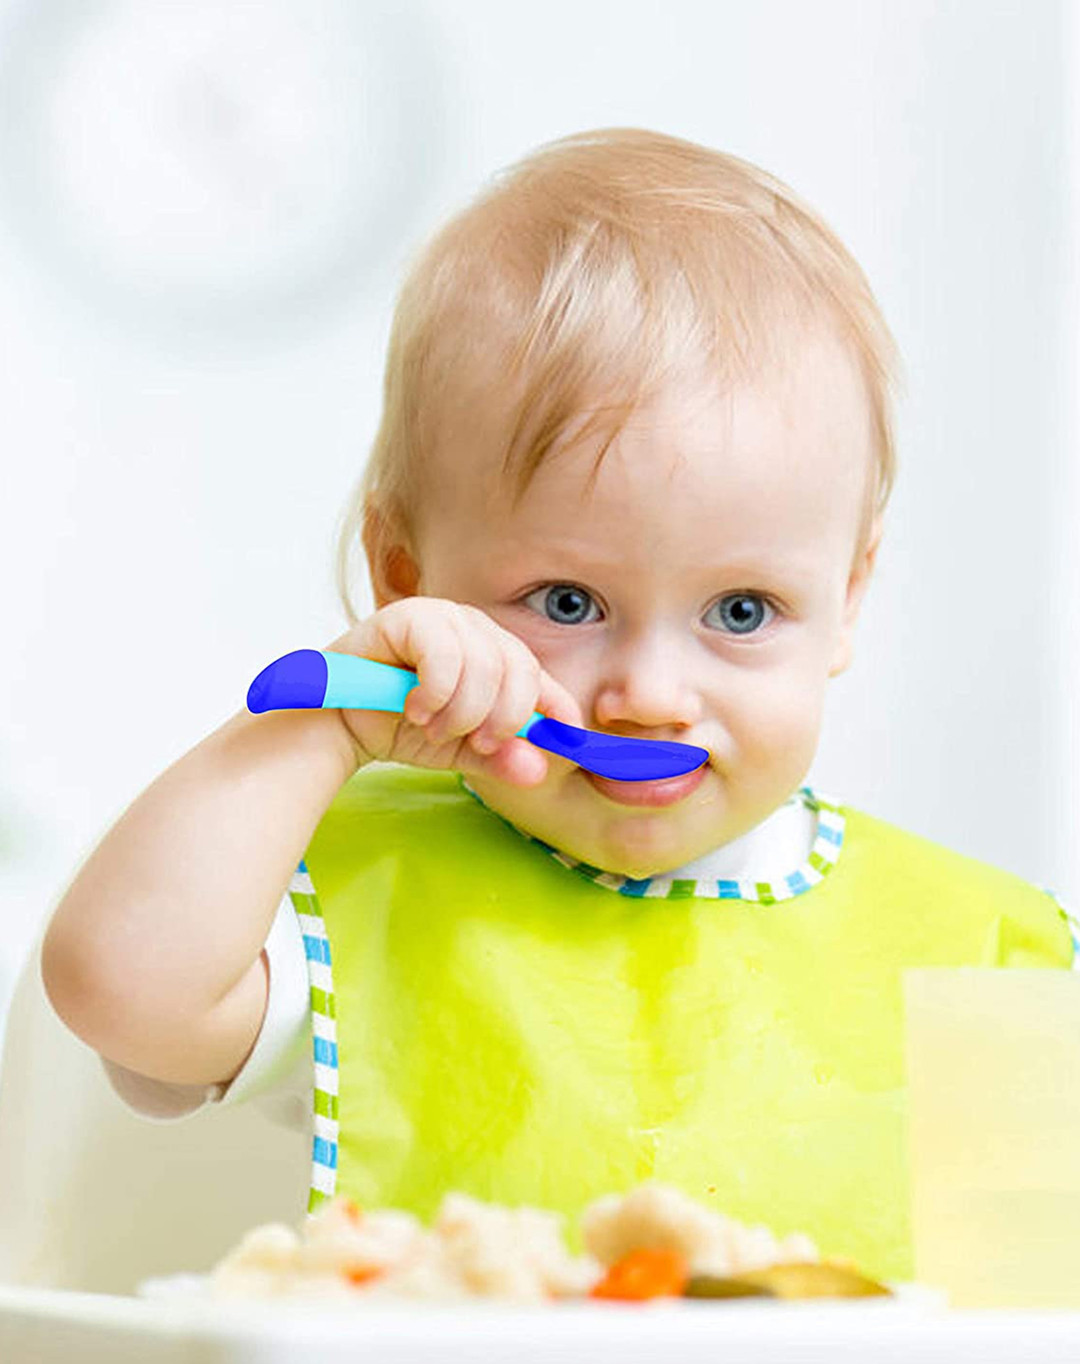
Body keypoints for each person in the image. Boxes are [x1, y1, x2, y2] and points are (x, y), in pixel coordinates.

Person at [39, 128, 1079, 1284]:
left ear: (847, 601)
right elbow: (117, 991)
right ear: (404, 577)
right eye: (569, 601)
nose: (649, 694)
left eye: (742, 611)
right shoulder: (352, 894)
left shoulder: (981, 955)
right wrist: (325, 721)